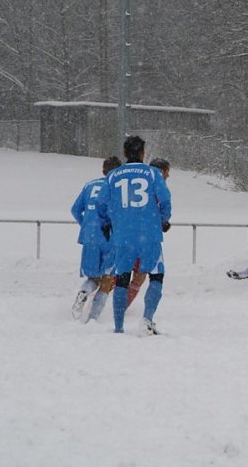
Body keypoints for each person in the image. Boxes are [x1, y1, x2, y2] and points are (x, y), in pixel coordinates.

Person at [97, 136, 172, 335]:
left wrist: (107, 224)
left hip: (123, 235)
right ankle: (147, 319)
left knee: (122, 278)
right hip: (149, 234)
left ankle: (119, 327)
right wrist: (162, 220)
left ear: (124, 153)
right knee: (156, 276)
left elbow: (101, 204)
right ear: (142, 153)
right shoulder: (153, 173)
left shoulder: (113, 175)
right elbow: (165, 201)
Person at [70, 156, 122, 322]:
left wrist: (86, 224)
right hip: (110, 237)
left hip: (90, 236)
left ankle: (84, 292)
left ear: (103, 170)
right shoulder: (119, 188)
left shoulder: (89, 185)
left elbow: (75, 210)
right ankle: (92, 318)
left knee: (92, 278)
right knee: (107, 279)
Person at [126, 157, 170, 307]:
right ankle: (121, 307)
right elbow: (164, 207)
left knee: (117, 273)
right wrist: (163, 222)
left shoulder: (134, 181)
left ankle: (96, 297)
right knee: (141, 275)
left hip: (125, 233)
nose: (168, 175)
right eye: (167, 172)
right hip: (146, 236)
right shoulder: (159, 184)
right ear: (162, 171)